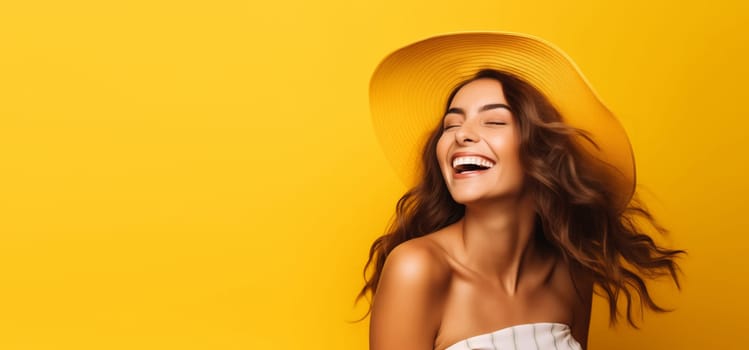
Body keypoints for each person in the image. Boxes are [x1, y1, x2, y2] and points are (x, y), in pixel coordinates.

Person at [356, 32, 685, 350]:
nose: (462, 136)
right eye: (451, 125)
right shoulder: (417, 268)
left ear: (542, 151)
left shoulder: (572, 274)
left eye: (494, 121)